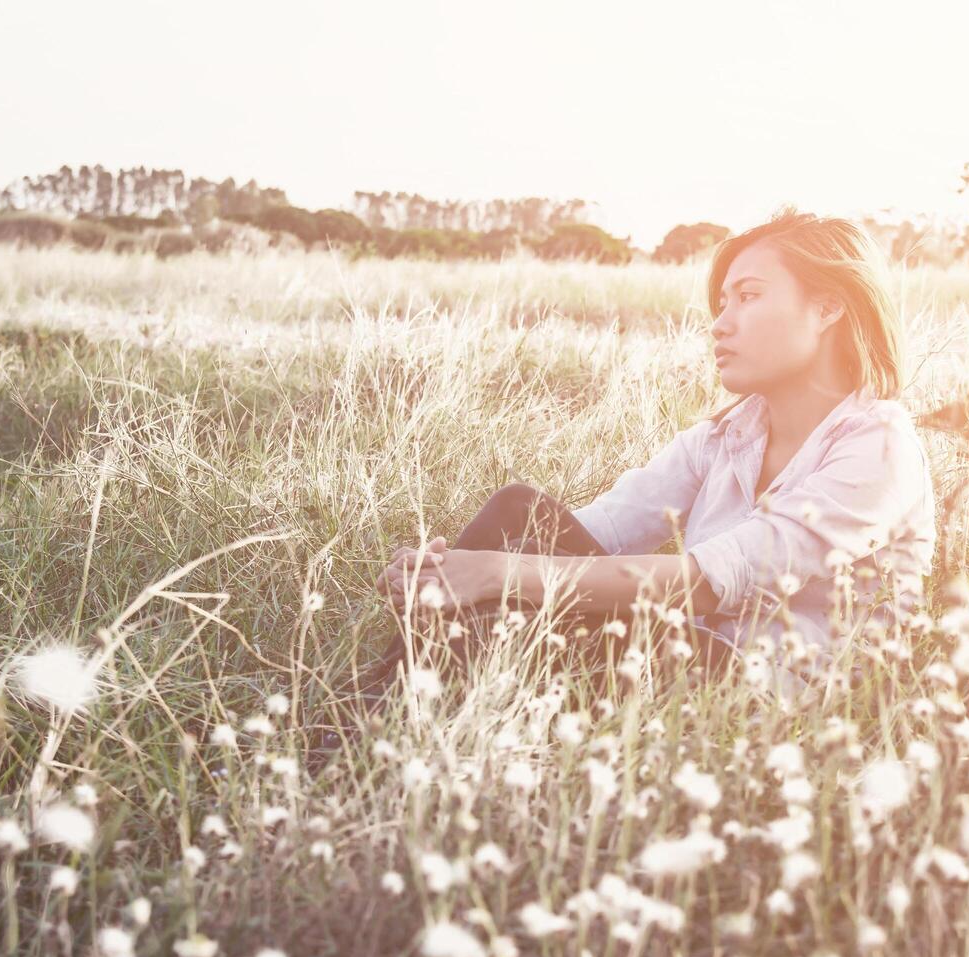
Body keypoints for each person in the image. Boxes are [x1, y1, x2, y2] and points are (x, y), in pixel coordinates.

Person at [366, 204, 936, 712]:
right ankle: (374, 721)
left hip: (777, 695)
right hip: (685, 654)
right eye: (722, 304)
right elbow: (597, 532)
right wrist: (451, 569)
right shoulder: (725, 436)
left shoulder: (879, 446)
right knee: (519, 514)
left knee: (504, 586)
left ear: (828, 306)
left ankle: (356, 733)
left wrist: (496, 572)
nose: (720, 324)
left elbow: (712, 583)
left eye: (749, 296)